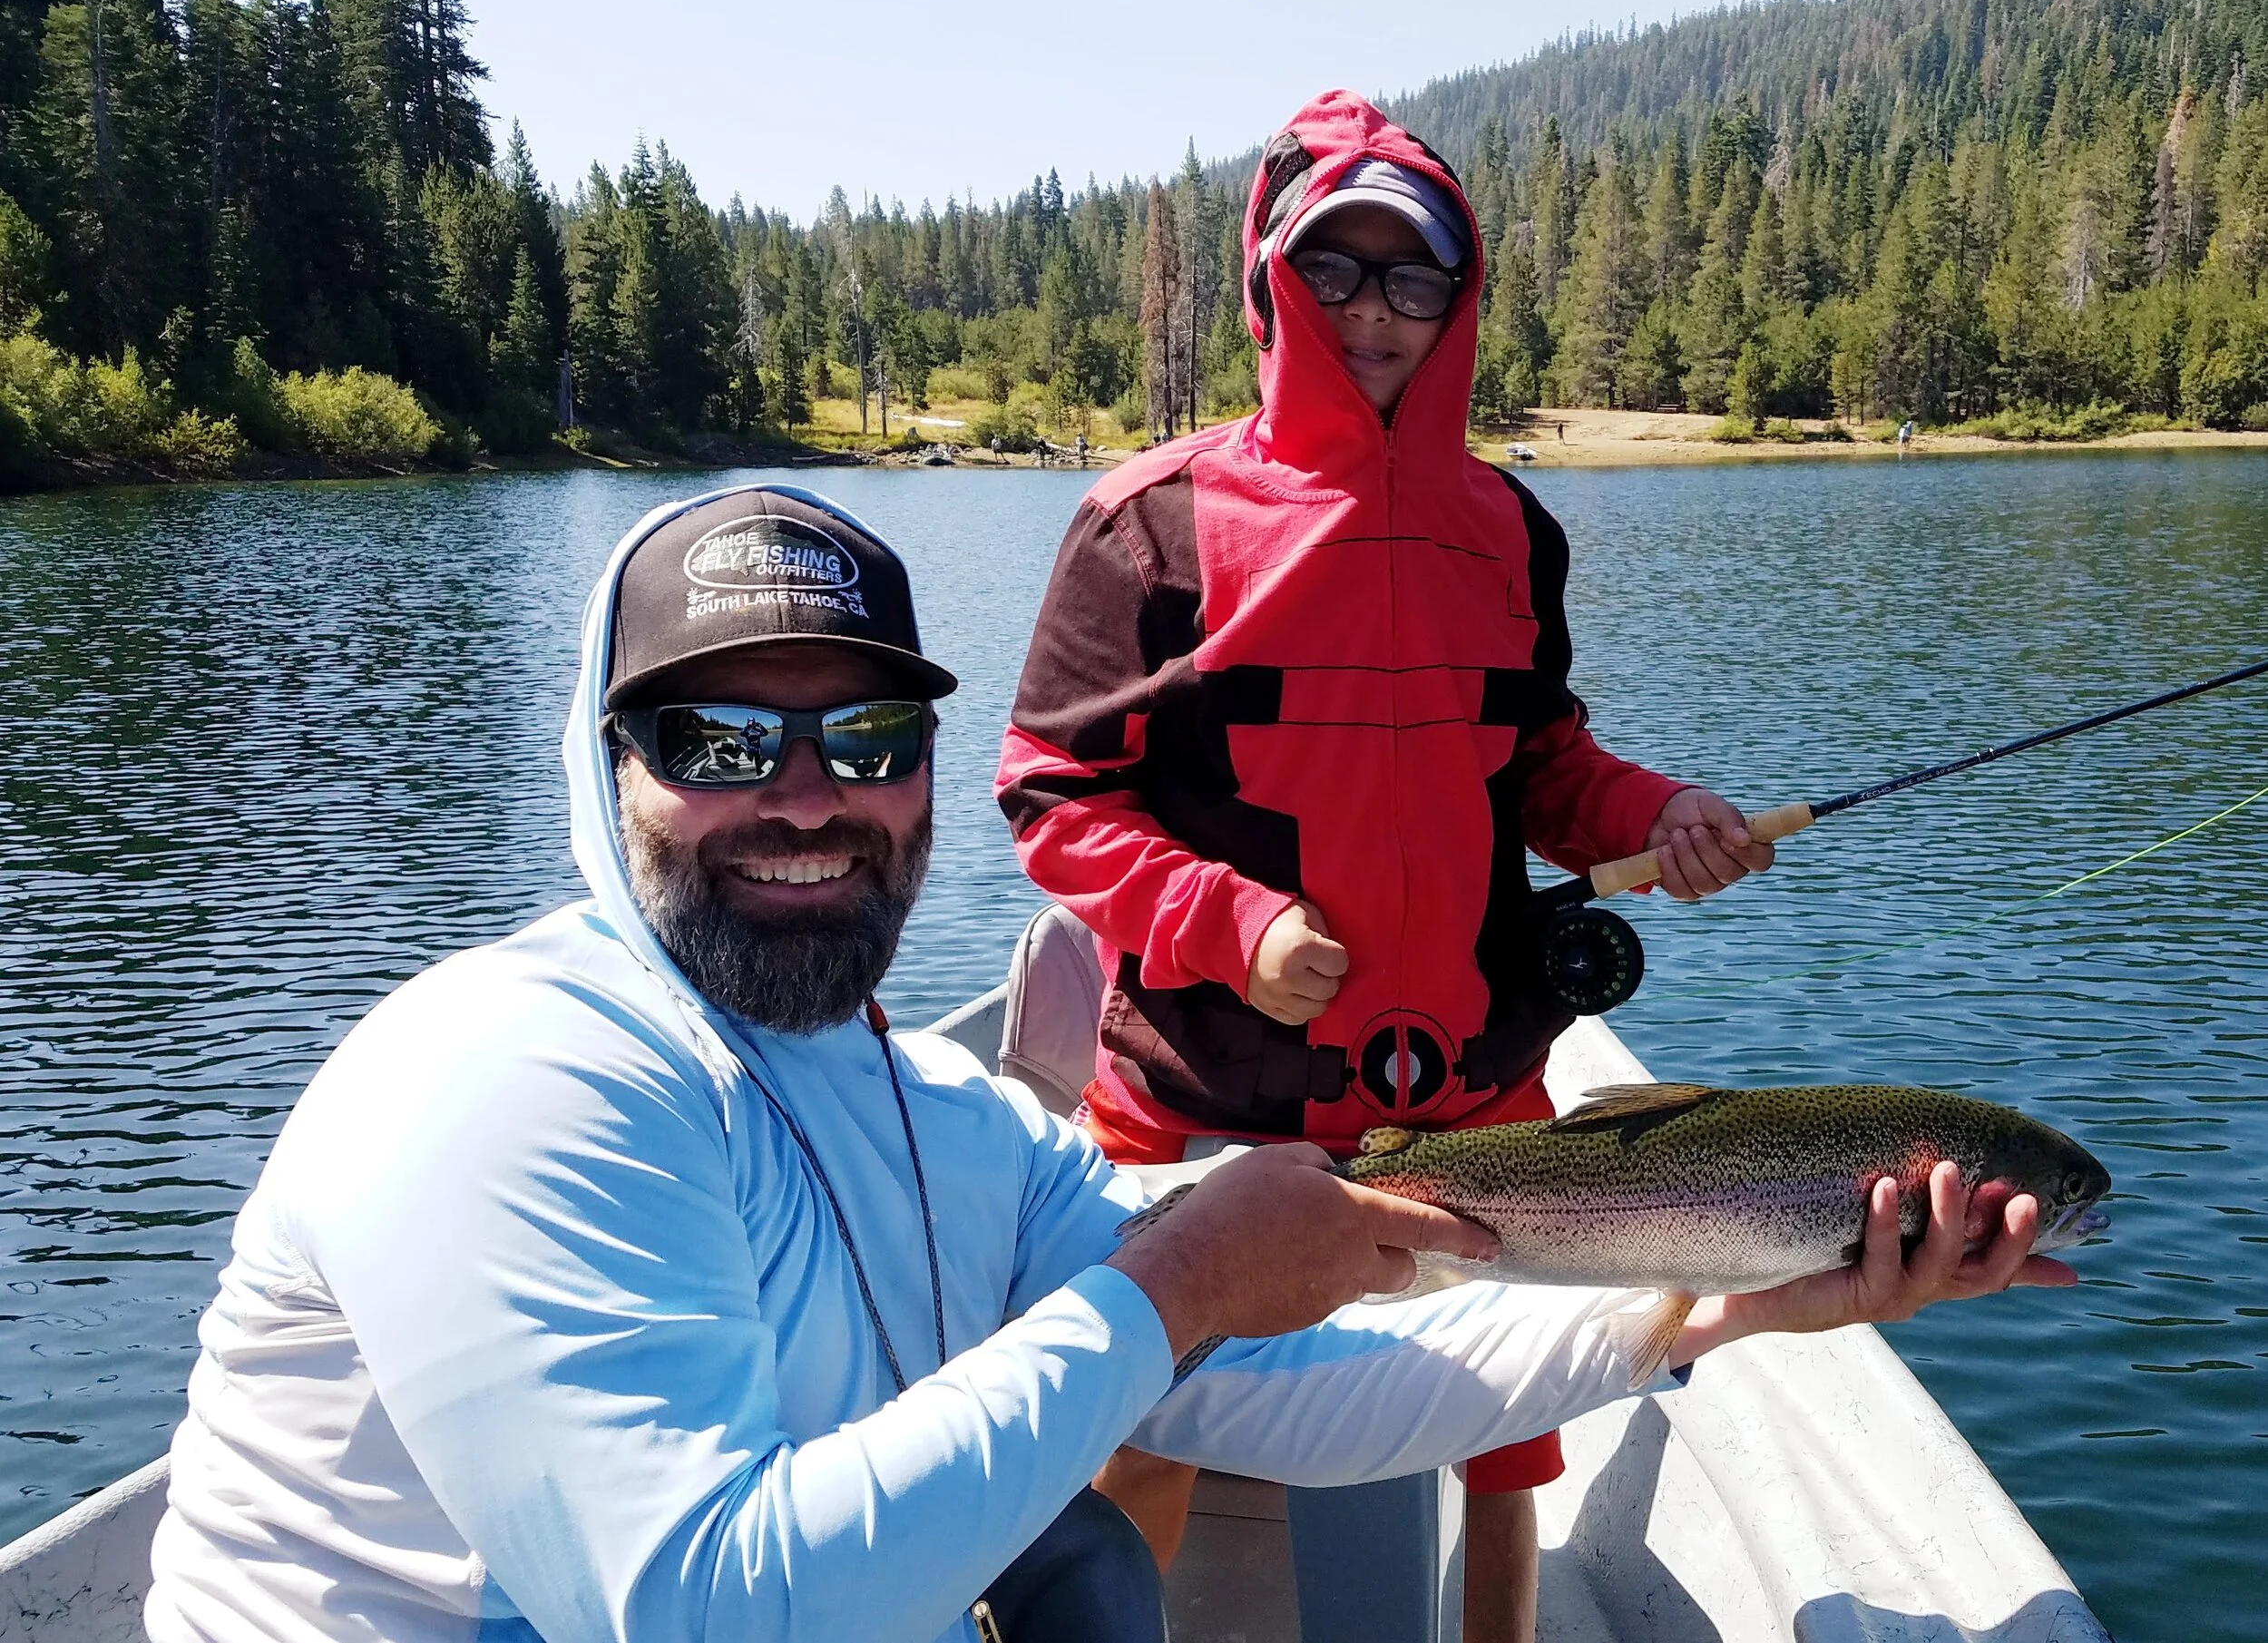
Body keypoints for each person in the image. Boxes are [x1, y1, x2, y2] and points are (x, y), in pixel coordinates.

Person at [145, 484, 2069, 1643]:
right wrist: (1169, 1290)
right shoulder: (504, 1080)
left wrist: (1728, 1307)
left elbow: (1300, 1384)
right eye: (718, 743)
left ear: (926, 771)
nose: (803, 798)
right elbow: (710, 1604)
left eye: (865, 740)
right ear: (604, 770)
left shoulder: (930, 1121)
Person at [994, 92, 1774, 1642]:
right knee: (1146, 1424)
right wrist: (1231, 923)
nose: (1373, 310)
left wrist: (1660, 813)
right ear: (1272, 282)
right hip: (1203, 1092)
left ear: (1459, 296)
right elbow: (1054, 796)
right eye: (1334, 269)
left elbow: (1545, 767)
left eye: (1413, 277)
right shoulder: (1149, 524)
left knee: (1510, 1434)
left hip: (1471, 1084)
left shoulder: (1510, 527)